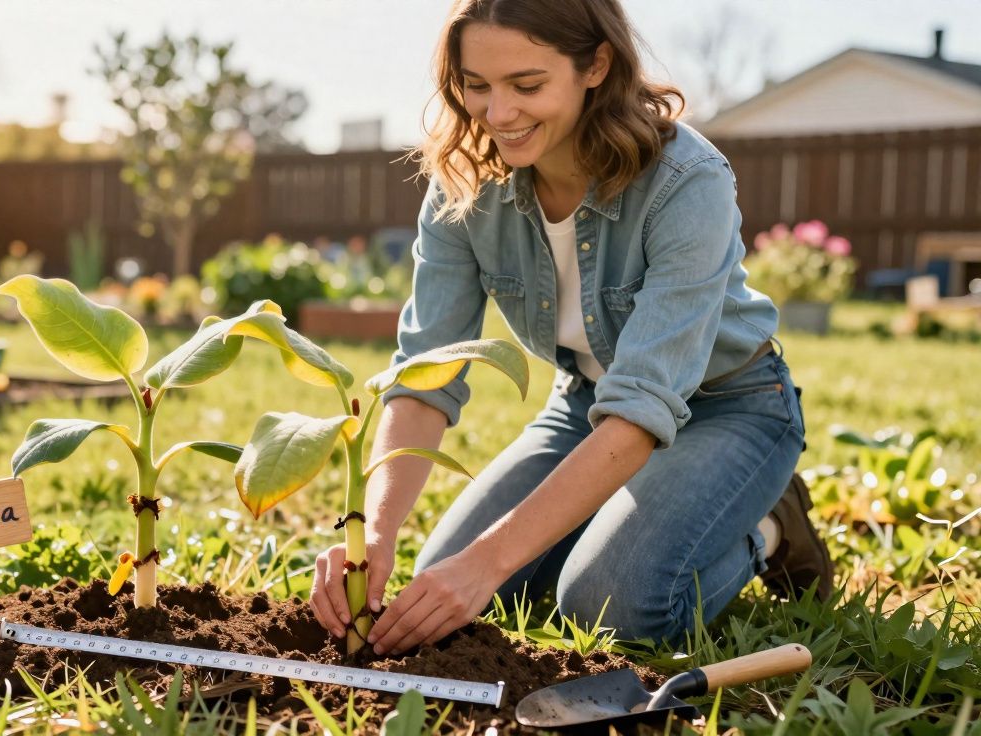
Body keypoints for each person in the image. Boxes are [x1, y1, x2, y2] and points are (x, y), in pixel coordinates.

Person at [308, 0, 834, 656]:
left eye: (527, 86)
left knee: (607, 605)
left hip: (731, 408)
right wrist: (373, 533)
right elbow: (426, 373)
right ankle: (603, 534)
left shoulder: (685, 182)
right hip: (585, 406)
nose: (498, 115)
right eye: (477, 86)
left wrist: (488, 560)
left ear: (596, 66)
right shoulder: (463, 186)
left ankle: (769, 525)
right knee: (459, 593)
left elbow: (641, 409)